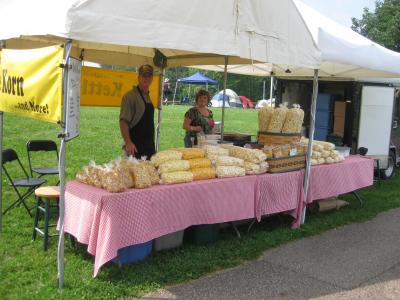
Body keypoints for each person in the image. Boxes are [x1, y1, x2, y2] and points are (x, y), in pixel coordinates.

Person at [119, 64, 156, 159]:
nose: (146, 79)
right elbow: (123, 121)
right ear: (139, 77)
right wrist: (128, 142)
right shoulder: (130, 97)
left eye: (149, 76)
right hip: (135, 148)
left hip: (149, 146)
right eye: (144, 76)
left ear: (152, 78)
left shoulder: (147, 96)